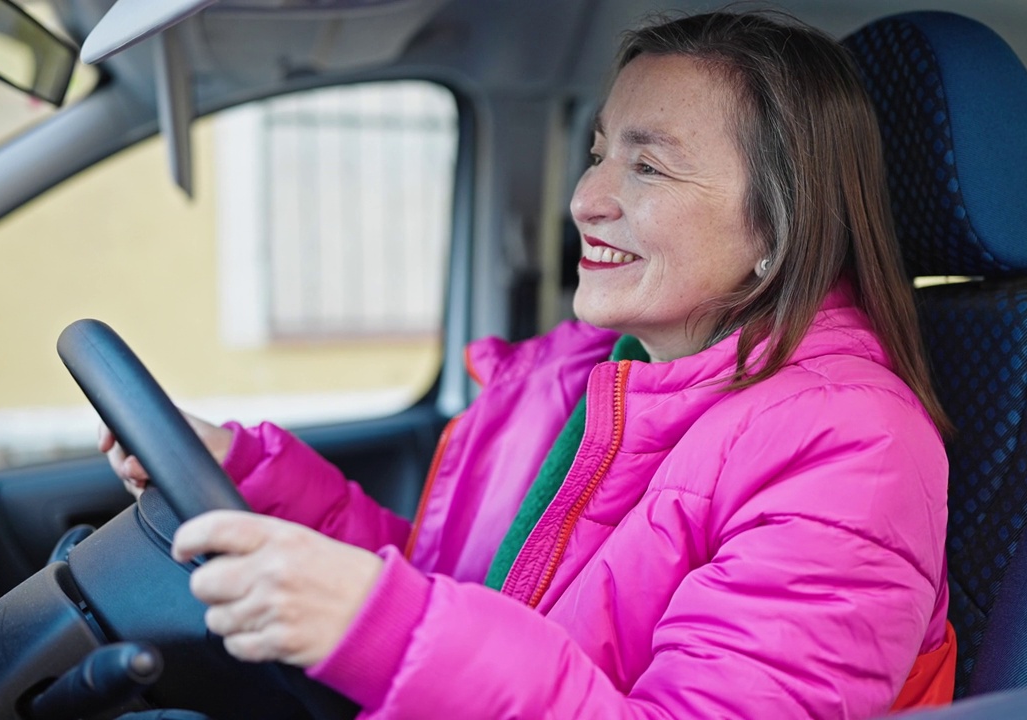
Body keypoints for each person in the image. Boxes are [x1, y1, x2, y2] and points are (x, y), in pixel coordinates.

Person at [102, 10, 955, 718]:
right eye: (598, 152)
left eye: (648, 166)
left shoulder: (854, 446)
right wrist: (248, 476)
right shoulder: (577, 376)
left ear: (778, 229)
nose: (586, 198)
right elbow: (461, 588)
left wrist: (383, 629)